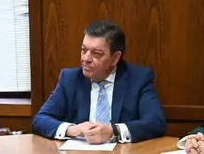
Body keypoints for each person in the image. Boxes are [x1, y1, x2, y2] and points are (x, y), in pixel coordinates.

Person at [31, 21, 166, 143]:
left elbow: (156, 122)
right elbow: (40, 119)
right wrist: (73, 129)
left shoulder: (138, 78)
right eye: (84, 50)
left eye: (96, 53)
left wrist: (114, 131)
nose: (86, 59)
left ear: (115, 58)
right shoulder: (70, 78)